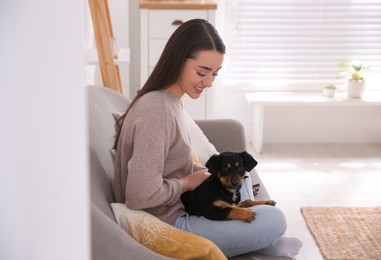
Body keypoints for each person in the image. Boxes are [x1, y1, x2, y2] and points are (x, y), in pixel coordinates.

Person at [112, 19, 302, 258]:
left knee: (240, 178)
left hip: (185, 205)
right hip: (171, 222)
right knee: (275, 220)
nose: (209, 82)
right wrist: (187, 183)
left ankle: (264, 239)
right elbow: (139, 195)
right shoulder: (156, 110)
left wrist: (199, 174)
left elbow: (169, 163)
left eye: (215, 73)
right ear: (178, 60)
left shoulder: (169, 102)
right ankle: (269, 241)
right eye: (202, 72)